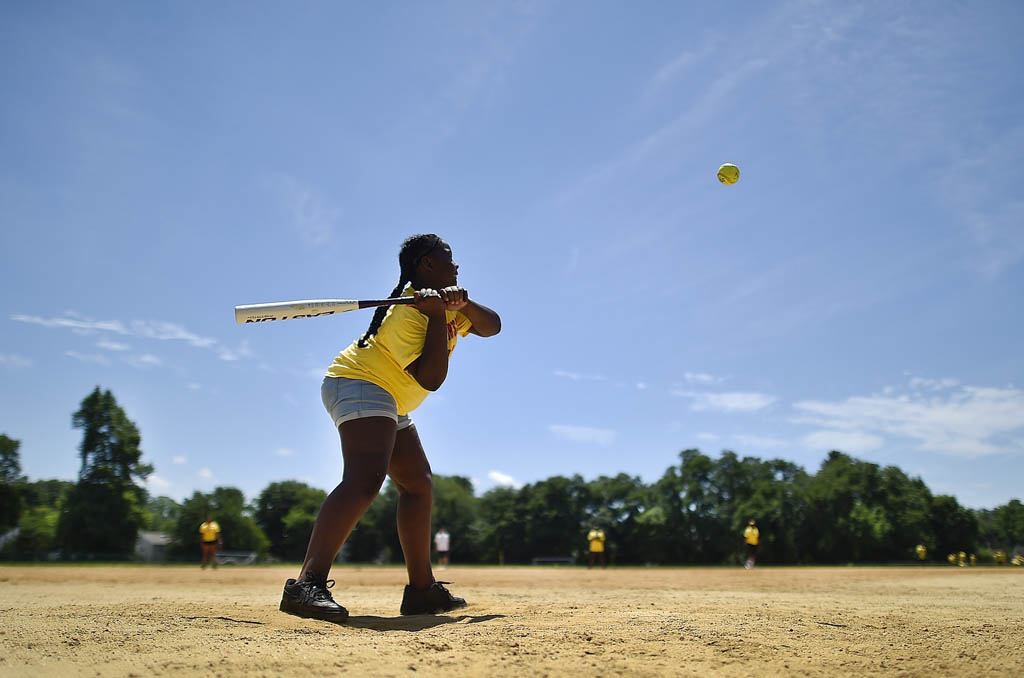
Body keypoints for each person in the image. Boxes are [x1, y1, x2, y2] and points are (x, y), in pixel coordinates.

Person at [279, 234, 501, 622]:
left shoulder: (447, 304)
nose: (457, 266)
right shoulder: (409, 313)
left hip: (390, 400)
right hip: (359, 382)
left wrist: (462, 305)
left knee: (418, 484)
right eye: (448, 259)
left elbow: (492, 326)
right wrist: (435, 316)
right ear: (426, 265)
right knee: (366, 479)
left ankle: (421, 591)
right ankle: (306, 584)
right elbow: (431, 379)